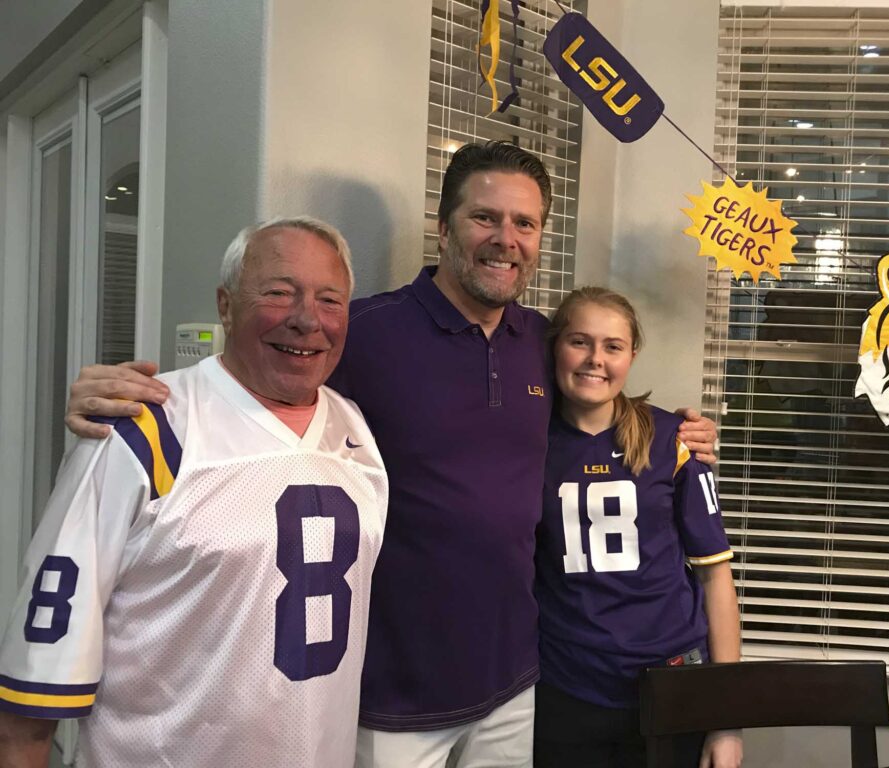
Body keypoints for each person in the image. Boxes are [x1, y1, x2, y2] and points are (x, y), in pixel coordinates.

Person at [61, 142, 718, 768]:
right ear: (444, 227)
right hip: (394, 686)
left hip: (516, 677)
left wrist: (682, 434)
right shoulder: (367, 332)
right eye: (485, 217)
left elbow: (597, 404)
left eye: (525, 223)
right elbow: (253, 384)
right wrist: (137, 396)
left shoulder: (542, 342)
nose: (506, 238)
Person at [0, 217, 388, 767]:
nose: (307, 319)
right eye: (279, 292)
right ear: (226, 306)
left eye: (330, 300)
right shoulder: (142, 429)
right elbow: (34, 686)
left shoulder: (355, 431)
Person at [533, 287, 741, 768]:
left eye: (613, 346)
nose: (595, 359)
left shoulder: (674, 441)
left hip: (671, 684)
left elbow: (716, 577)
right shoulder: (528, 441)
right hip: (567, 687)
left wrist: (727, 718)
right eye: (579, 341)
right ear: (555, 346)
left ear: (632, 356)